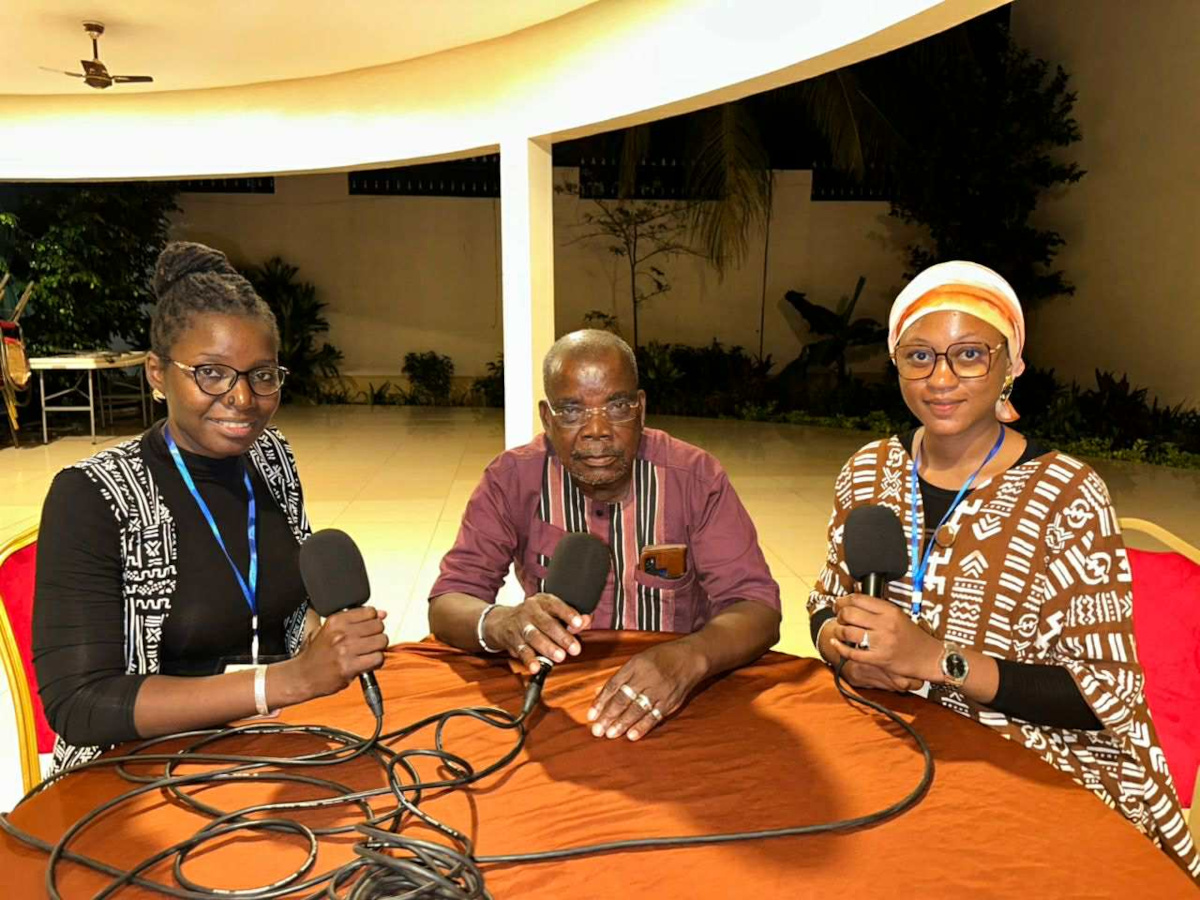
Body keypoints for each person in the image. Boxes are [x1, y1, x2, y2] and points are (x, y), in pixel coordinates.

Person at [808, 260, 1200, 880]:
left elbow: (1104, 698)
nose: (941, 379)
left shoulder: (1066, 493)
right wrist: (839, 642)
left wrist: (936, 660)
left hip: (1041, 765)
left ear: (1011, 366)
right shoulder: (867, 469)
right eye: (919, 356)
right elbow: (826, 601)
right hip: (899, 741)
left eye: (970, 355)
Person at [33, 241, 387, 772]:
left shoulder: (271, 457)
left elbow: (287, 612)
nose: (243, 399)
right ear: (157, 373)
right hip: (135, 773)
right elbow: (80, 704)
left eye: (262, 375)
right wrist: (282, 682)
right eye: (212, 373)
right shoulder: (92, 496)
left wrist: (326, 644)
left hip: (270, 746)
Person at [428, 329, 781, 742]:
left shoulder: (695, 478)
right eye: (572, 411)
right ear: (547, 418)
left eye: (616, 406)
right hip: (553, 704)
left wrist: (692, 657)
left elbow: (757, 607)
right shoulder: (511, 479)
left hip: (682, 699)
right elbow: (450, 600)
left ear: (641, 409)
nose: (597, 430)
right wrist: (503, 622)